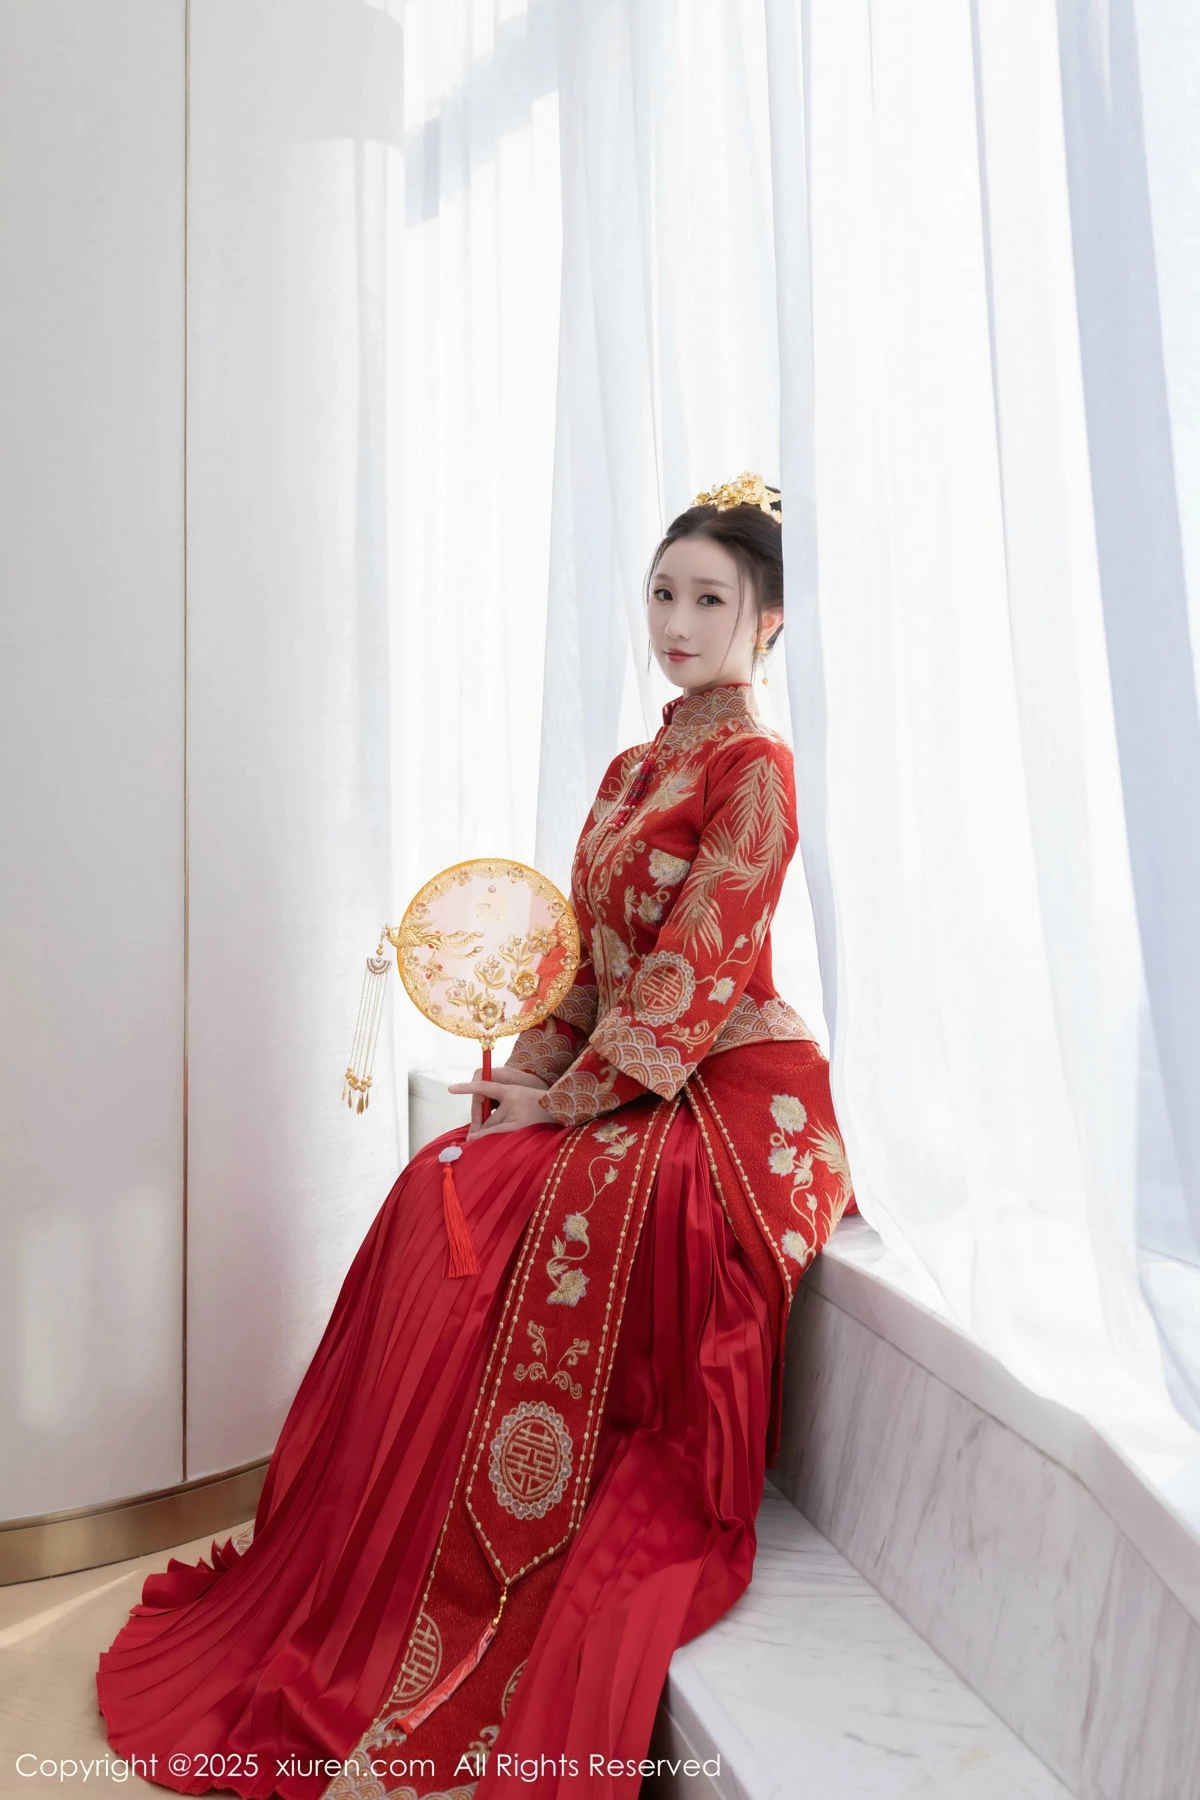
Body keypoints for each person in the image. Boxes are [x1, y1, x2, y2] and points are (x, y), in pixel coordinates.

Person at [97, 472, 854, 1800]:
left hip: (724, 1097)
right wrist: (533, 1078)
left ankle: (456, 1580)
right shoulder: (632, 770)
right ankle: (361, 1575)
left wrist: (571, 1100)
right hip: (625, 1071)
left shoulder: (757, 771)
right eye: (663, 595)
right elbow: (585, 968)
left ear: (770, 621)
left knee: (512, 1205)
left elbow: (696, 969)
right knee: (440, 1182)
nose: (677, 624)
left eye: (710, 601)